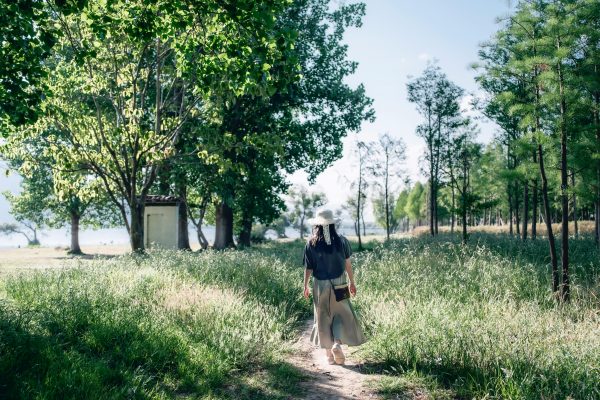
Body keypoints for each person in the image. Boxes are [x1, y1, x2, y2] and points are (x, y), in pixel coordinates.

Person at [303, 209, 367, 365]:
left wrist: (305, 285)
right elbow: (348, 264)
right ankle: (337, 343)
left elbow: (308, 268)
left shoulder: (311, 243)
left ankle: (329, 356)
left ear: (317, 225)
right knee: (342, 314)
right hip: (341, 284)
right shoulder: (342, 241)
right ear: (332, 224)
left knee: (323, 317)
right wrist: (352, 282)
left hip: (320, 285)